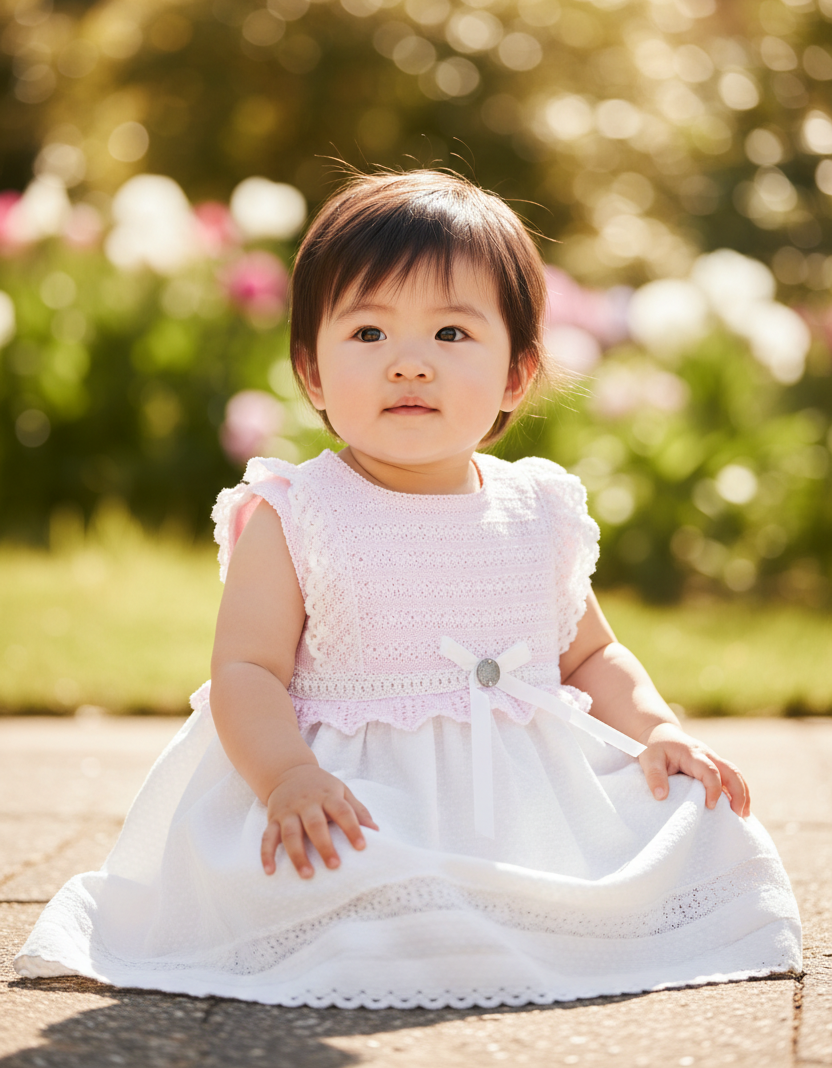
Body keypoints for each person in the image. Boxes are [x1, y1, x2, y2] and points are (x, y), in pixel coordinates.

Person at [15, 169, 801, 1008]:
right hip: (352, 793)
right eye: (368, 334)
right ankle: (405, 920)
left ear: (515, 375)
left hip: (523, 809)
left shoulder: (538, 510)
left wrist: (655, 729)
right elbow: (246, 672)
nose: (410, 365)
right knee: (353, 880)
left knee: (703, 824)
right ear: (312, 373)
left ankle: (524, 915)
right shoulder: (299, 511)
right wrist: (286, 777)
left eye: (453, 334)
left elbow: (593, 653)